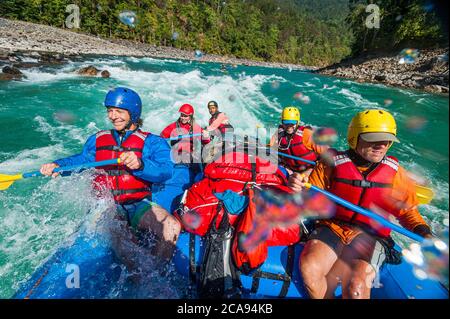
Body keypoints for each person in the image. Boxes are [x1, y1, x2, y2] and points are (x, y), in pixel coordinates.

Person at [288, 109, 433, 299]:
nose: (382, 145)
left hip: (372, 235)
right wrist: (299, 187)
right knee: (310, 268)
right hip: (333, 227)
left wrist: (423, 231)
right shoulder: (331, 163)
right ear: (355, 137)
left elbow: (408, 213)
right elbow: (312, 195)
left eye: (387, 140)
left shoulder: (396, 173)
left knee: (356, 287)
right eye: (374, 139)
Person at [40, 87, 181, 261]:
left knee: (171, 226)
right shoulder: (98, 139)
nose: (113, 116)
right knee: (127, 243)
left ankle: (156, 275)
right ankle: (137, 279)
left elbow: (166, 170)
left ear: (133, 113)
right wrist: (58, 165)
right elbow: (82, 160)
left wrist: (141, 164)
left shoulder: (153, 142)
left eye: (119, 111)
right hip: (107, 206)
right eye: (110, 111)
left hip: (138, 203)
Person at [159, 103, 210, 213]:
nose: (183, 118)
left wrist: (206, 136)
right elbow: (160, 139)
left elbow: (206, 141)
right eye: (182, 115)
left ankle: (196, 193)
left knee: (201, 173)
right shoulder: (172, 127)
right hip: (176, 156)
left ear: (191, 116)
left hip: (190, 156)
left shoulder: (195, 128)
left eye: (186, 116)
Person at [270, 106, 329, 177]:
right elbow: (270, 149)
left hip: (310, 169)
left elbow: (327, 152)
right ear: (282, 122)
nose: (289, 126)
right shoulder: (278, 134)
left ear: (297, 122)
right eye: (286, 123)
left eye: (292, 123)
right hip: (290, 169)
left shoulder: (307, 134)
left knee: (299, 178)